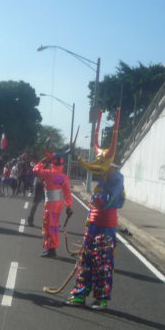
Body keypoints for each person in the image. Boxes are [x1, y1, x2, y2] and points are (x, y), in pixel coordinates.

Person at [65, 110, 125, 310]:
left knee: (102, 263)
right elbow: (98, 201)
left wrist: (101, 196)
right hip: (93, 227)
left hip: (106, 230)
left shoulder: (116, 181)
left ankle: (101, 298)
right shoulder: (104, 180)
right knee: (86, 260)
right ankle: (80, 295)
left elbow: (112, 201)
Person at [32, 153, 73, 258]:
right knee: (52, 225)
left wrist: (41, 162)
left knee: (50, 226)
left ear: (53, 163)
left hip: (51, 205)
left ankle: (52, 250)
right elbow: (67, 193)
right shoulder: (62, 177)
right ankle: (51, 248)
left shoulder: (49, 173)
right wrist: (68, 205)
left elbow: (35, 170)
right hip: (57, 204)